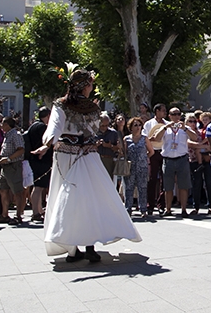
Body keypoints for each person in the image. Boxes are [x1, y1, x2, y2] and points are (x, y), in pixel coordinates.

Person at [35, 69, 141, 262]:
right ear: (84, 85)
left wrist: (47, 144)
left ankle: (76, 249)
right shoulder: (81, 107)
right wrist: (47, 143)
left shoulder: (66, 104)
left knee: (72, 200)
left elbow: (56, 127)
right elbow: (65, 128)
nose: (92, 87)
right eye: (91, 84)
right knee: (88, 199)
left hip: (73, 155)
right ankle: (84, 247)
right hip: (83, 156)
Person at [148, 107, 200, 217]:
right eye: (174, 114)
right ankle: (168, 209)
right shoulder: (165, 127)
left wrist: (185, 128)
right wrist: (165, 127)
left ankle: (184, 209)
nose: (176, 116)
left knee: (183, 185)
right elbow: (156, 138)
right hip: (168, 159)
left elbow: (195, 137)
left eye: (178, 114)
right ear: (169, 116)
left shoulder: (184, 128)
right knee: (168, 186)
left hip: (182, 159)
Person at [0, 117, 25, 225]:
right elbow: (7, 150)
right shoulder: (7, 136)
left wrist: (9, 158)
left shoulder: (15, 134)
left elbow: (21, 150)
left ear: (7, 124)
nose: (0, 126)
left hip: (13, 166)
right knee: (3, 190)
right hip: (4, 167)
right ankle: (4, 215)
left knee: (17, 191)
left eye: (2, 123)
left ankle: (18, 215)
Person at [25, 107, 53, 222]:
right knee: (38, 187)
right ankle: (36, 212)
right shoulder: (42, 128)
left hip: (34, 160)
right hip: (41, 160)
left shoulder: (33, 126)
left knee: (37, 187)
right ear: (47, 116)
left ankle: (38, 210)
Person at [123, 117, 153, 218]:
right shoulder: (126, 139)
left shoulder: (144, 138)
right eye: (135, 125)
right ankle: (128, 208)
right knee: (129, 188)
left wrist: (144, 158)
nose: (138, 127)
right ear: (131, 127)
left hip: (142, 166)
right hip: (130, 166)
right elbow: (124, 152)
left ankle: (143, 209)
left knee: (142, 188)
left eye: (139, 125)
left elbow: (151, 151)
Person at [186, 112, 211, 215]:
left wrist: (205, 147)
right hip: (194, 160)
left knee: (209, 183)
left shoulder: (201, 132)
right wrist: (203, 146)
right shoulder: (186, 132)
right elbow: (190, 144)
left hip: (206, 159)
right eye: (190, 121)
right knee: (196, 184)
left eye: (194, 121)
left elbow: (210, 142)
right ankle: (196, 206)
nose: (193, 123)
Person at [142, 103, 167, 216]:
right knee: (152, 178)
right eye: (163, 111)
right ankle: (150, 205)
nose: (165, 113)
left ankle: (162, 205)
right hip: (153, 152)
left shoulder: (167, 124)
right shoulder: (149, 124)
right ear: (157, 111)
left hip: (164, 152)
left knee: (164, 180)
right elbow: (144, 138)